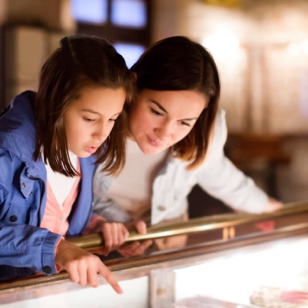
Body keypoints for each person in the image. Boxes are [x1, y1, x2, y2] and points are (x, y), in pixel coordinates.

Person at [93, 36, 282, 255]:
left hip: (166, 247)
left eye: (184, 122)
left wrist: (268, 208)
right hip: (98, 244)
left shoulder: (203, 133)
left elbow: (220, 175)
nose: (165, 133)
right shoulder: (97, 123)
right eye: (156, 112)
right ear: (133, 86)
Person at [0, 35, 134, 292]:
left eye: (112, 119)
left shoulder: (87, 153)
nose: (102, 134)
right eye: (89, 118)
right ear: (56, 102)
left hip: (46, 294)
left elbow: (56, 218)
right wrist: (55, 248)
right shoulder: (7, 153)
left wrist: (97, 226)